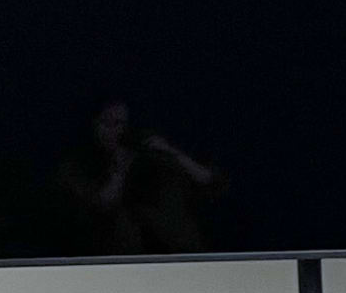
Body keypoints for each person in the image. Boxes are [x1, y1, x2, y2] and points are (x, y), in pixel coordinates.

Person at [56, 98, 225, 254]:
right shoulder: (76, 166)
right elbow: (101, 206)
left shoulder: (152, 156)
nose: (114, 130)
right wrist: (120, 170)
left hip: (178, 258)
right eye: (106, 122)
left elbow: (209, 181)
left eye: (120, 124)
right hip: (114, 264)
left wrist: (172, 153)